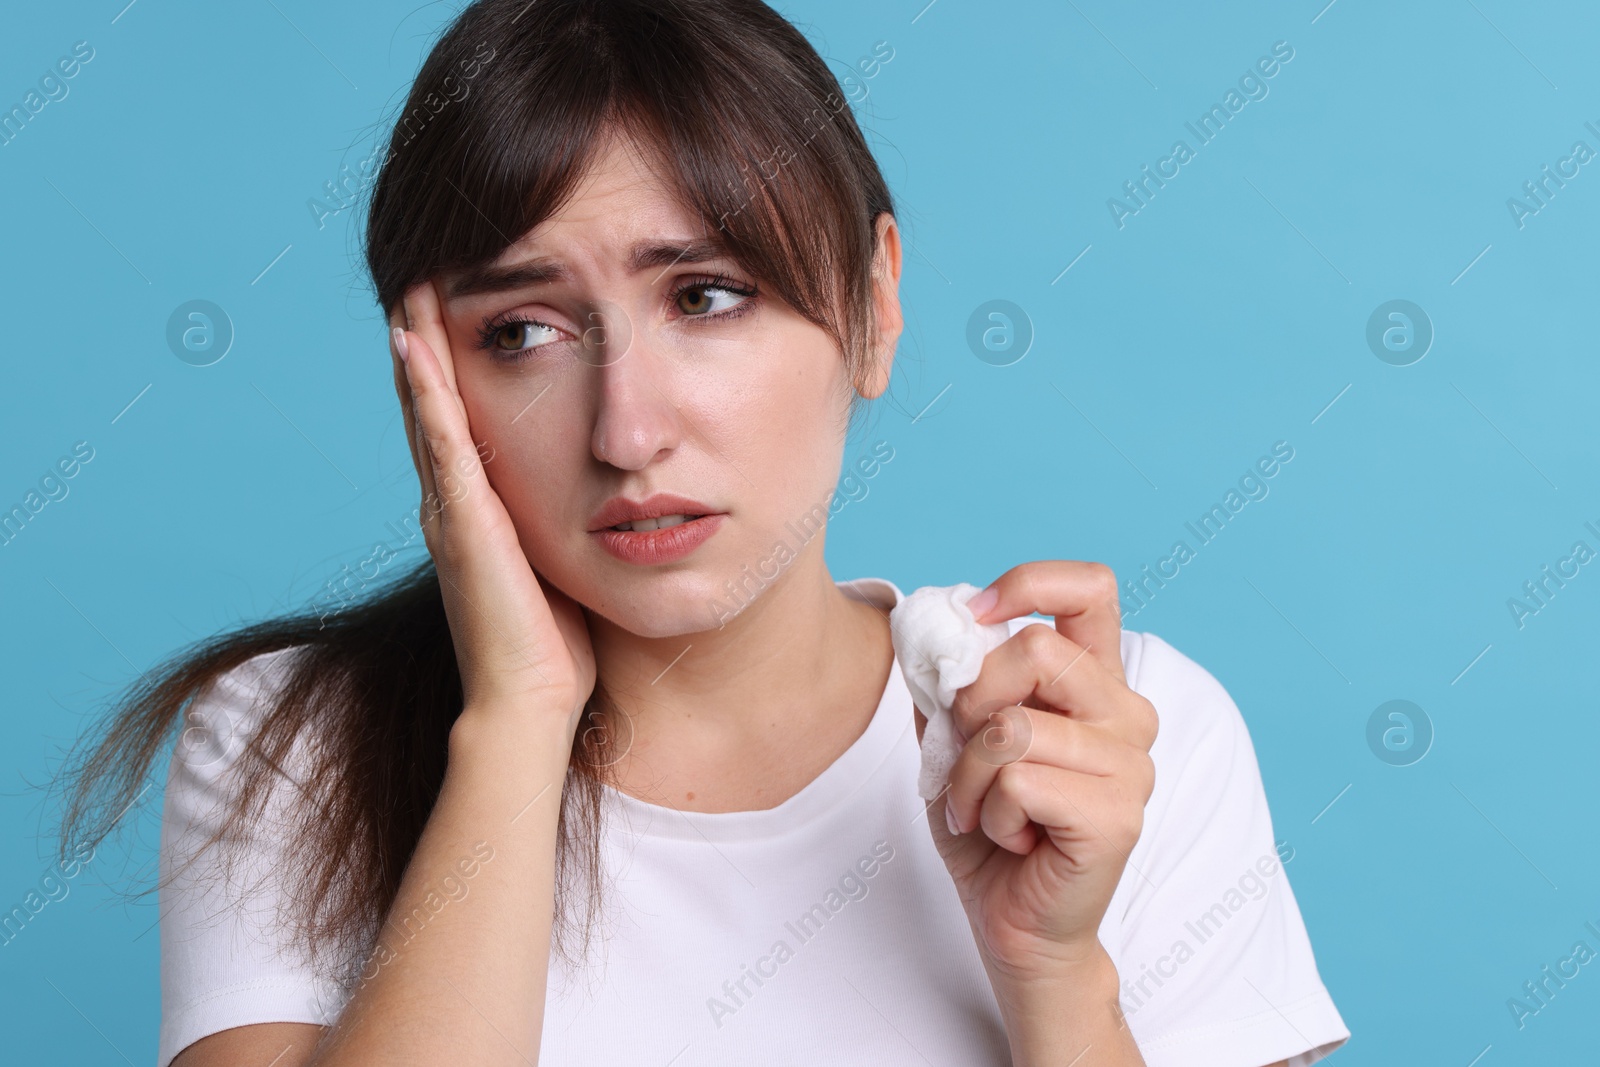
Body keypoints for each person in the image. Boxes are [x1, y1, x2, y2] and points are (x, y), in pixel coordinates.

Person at [54, 1, 1350, 1064]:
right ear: (427, 378)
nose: (627, 429)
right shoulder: (298, 744)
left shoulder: (1111, 737)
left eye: (708, 296)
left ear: (875, 302)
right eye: (524, 331)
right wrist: (514, 722)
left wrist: (1055, 970)